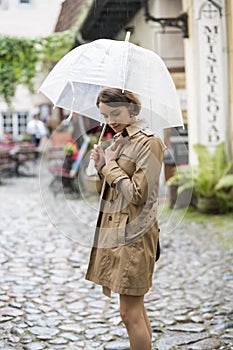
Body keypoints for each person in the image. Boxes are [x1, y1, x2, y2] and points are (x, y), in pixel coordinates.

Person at [85, 87, 165, 350]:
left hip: (135, 236)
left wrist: (110, 166)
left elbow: (138, 194)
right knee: (135, 311)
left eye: (115, 113)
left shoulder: (149, 142)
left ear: (132, 108)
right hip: (118, 233)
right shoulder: (119, 142)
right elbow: (111, 194)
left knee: (129, 313)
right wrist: (100, 167)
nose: (111, 120)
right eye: (105, 115)